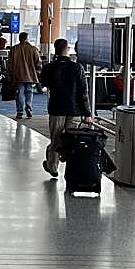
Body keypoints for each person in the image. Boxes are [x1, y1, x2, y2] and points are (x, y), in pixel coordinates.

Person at [39, 38, 92, 178]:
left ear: (55, 50)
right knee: (73, 140)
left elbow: (42, 83)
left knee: (56, 138)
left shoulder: (50, 67)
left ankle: (52, 165)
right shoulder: (77, 68)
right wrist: (87, 113)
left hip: (56, 109)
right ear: (67, 49)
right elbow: (83, 92)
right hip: (74, 110)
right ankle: (72, 169)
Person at [8, 32, 42, 119]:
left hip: (18, 75)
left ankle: (20, 111)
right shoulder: (33, 49)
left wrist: (10, 74)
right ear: (27, 38)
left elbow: (10, 63)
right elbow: (38, 63)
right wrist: (37, 72)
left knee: (20, 93)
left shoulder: (14, 49)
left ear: (20, 39)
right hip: (30, 75)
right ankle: (29, 108)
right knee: (29, 92)